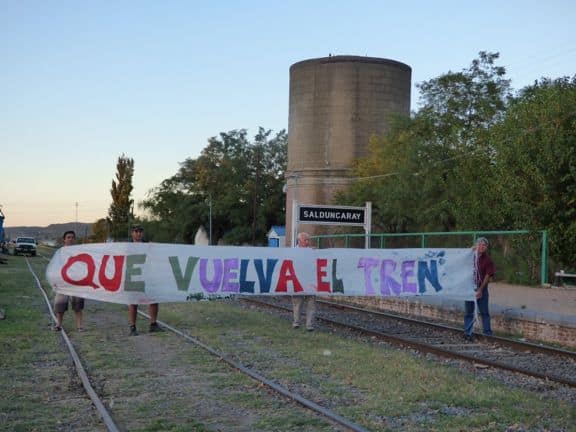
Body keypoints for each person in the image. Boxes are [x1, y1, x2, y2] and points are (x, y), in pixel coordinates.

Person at [128, 224, 162, 336]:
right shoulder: (127, 246)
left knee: (154, 300)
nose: (138, 233)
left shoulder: (148, 245)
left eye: (140, 231)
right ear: (132, 233)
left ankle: (153, 324)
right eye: (136, 231)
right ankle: (132, 327)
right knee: (133, 303)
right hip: (134, 277)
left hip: (148, 276)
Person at [464, 237, 495, 341]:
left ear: (486, 247)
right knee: (469, 311)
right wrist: (470, 249)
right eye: (480, 244)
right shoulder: (470, 256)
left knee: (484, 311)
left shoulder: (487, 260)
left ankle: (487, 333)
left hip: (481, 288)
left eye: (484, 245)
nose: (482, 247)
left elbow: (488, 275)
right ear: (476, 245)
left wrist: (481, 289)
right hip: (469, 288)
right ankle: (468, 332)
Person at [54, 230, 84, 331]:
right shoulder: (60, 252)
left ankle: (79, 326)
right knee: (60, 305)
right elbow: (55, 267)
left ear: (74, 239)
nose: (70, 239)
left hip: (76, 282)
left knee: (78, 306)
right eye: (68, 237)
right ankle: (58, 325)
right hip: (62, 282)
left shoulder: (79, 252)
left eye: (72, 237)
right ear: (64, 240)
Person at [291, 232, 316, 331]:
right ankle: (296, 322)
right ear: (299, 241)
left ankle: (309, 325)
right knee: (297, 303)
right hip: (297, 280)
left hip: (310, 280)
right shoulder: (293, 252)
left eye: (308, 240)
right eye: (305, 240)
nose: (308, 242)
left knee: (311, 303)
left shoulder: (312, 251)